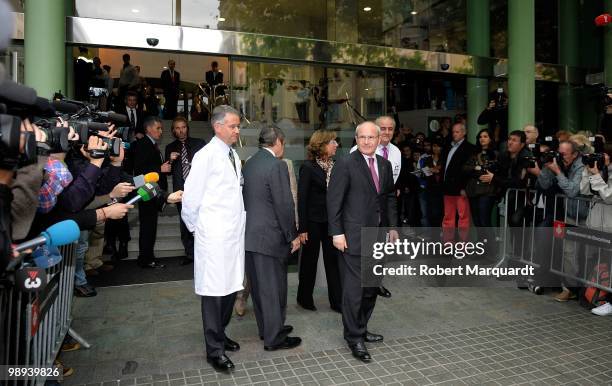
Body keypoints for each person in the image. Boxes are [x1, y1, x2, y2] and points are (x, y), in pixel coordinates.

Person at [327, 121, 399, 363]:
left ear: (379, 140)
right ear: (356, 139)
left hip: (378, 236)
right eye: (362, 137)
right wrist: (337, 232)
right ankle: (354, 337)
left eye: (371, 137)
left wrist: (392, 227)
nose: (367, 141)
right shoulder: (345, 163)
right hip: (353, 237)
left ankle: (362, 326)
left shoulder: (385, 165)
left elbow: (388, 197)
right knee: (354, 291)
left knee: (371, 287)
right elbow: (334, 201)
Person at [181, 105, 244, 372]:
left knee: (230, 287)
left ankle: (221, 332)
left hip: (232, 234)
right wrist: (199, 230)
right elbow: (191, 197)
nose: (237, 130)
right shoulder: (205, 156)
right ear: (218, 127)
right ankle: (214, 349)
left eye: (238, 126)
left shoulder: (233, 155)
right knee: (213, 293)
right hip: (213, 235)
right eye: (233, 126)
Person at [243, 125, 302, 351]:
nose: (283, 147)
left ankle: (267, 328)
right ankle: (274, 338)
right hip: (269, 237)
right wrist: (293, 235)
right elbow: (284, 205)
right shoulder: (276, 166)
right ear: (277, 141)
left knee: (260, 288)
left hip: (251, 236)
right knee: (273, 288)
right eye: (283, 143)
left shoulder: (250, 163)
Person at [350, 115, 401, 298]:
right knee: (364, 262)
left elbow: (389, 190)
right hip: (363, 219)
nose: (387, 132)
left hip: (382, 217)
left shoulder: (396, 153)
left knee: (378, 259)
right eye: (383, 128)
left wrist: (392, 226)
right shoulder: (359, 150)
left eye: (390, 129)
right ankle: (360, 293)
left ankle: (375, 285)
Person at [296, 130, 342, 313]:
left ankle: (337, 301)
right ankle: (304, 298)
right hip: (313, 222)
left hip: (332, 222)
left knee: (334, 262)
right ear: (322, 145)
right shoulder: (308, 167)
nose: (336, 144)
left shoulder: (336, 166)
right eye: (333, 141)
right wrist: (303, 228)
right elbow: (303, 199)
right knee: (310, 261)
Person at [164, 116, 206, 265]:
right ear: (173, 130)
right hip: (180, 192)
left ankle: (203, 253)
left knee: (202, 222)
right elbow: (167, 171)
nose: (181, 130)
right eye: (177, 128)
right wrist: (170, 160)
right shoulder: (170, 147)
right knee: (185, 223)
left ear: (187, 128)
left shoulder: (200, 143)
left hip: (199, 189)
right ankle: (190, 254)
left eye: (183, 127)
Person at [131, 116, 169, 269]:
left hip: (151, 190)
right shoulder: (143, 144)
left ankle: (147, 257)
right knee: (148, 226)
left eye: (161, 128)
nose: (161, 131)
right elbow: (139, 170)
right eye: (158, 128)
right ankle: (145, 258)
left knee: (150, 226)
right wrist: (160, 169)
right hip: (147, 190)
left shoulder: (150, 144)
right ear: (148, 129)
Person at [441, 123, 476, 242]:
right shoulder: (449, 147)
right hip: (447, 188)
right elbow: (445, 168)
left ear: (464, 133)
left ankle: (463, 246)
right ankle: (448, 244)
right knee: (448, 218)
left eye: (457, 132)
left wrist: (465, 187)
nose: (454, 134)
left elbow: (469, 170)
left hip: (461, 189)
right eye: (453, 132)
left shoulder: (470, 148)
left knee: (463, 218)